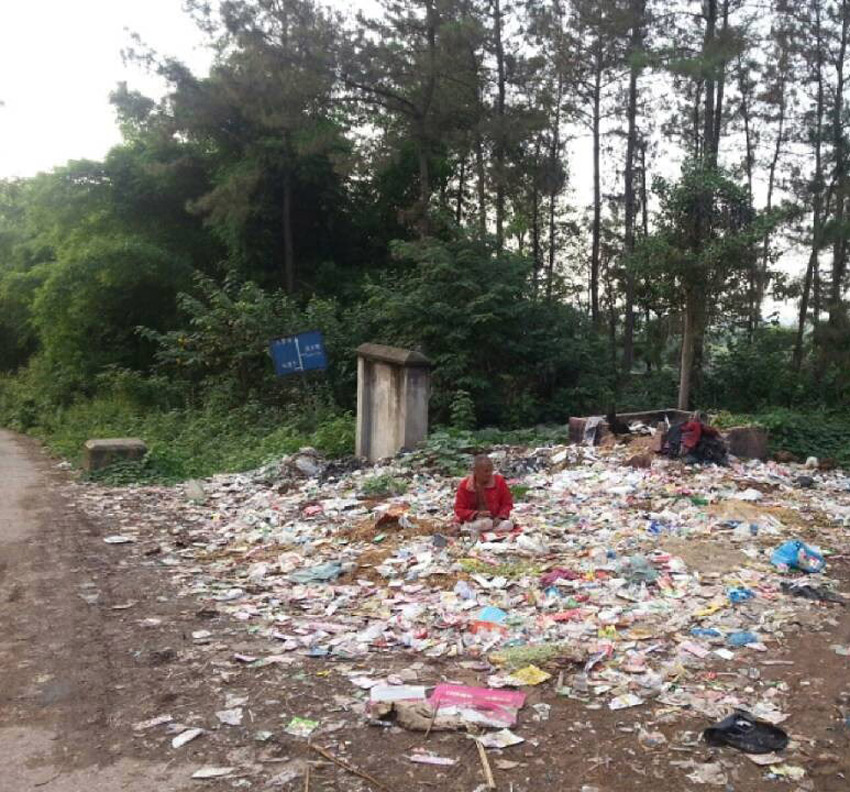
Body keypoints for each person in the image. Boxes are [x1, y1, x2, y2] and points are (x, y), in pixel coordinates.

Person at [453, 454, 514, 536]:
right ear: (476, 471)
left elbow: (507, 503)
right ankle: (471, 529)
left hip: (494, 520)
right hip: (475, 521)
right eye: (485, 471)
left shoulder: (499, 481)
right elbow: (459, 509)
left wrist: (500, 517)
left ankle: (481, 533)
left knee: (508, 525)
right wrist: (476, 514)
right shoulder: (465, 485)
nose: (489, 474)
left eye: (490, 470)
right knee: (486, 523)